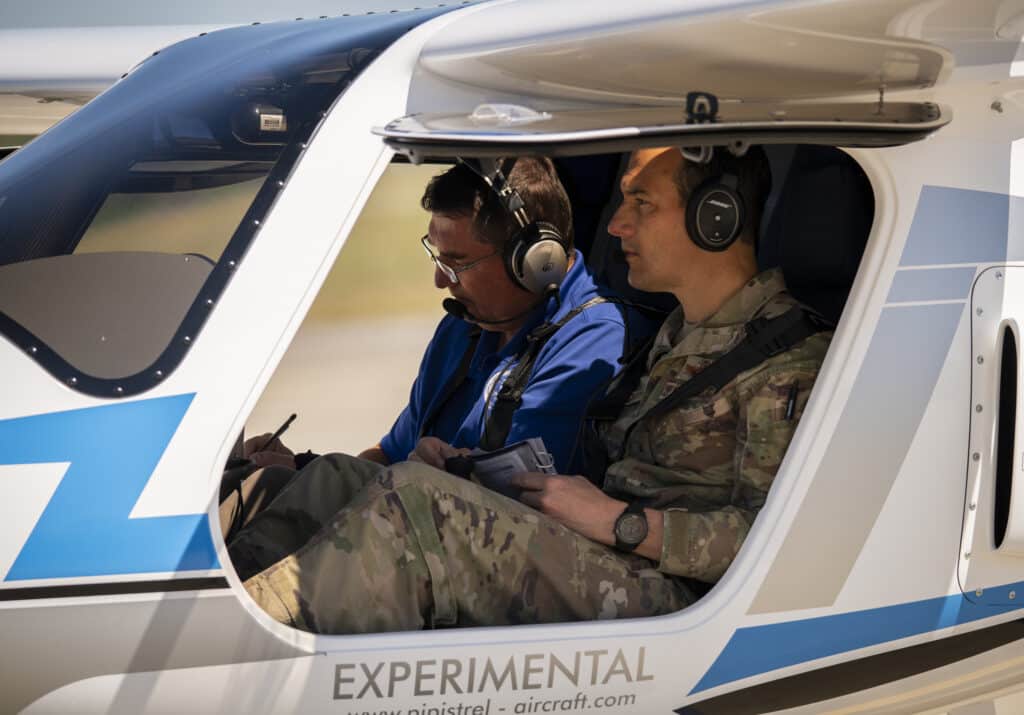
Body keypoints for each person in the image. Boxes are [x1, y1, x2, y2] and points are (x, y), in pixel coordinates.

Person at [227, 146, 832, 633]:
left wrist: (621, 523)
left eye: (641, 204)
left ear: (716, 216)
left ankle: (238, 646)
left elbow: (785, 543)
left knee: (414, 495)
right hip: (612, 558)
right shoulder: (679, 336)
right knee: (337, 475)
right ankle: (220, 604)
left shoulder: (788, 359)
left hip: (681, 603)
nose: (617, 225)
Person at [221, 157, 644, 537]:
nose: (442, 282)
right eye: (438, 259)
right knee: (257, 490)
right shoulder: (463, 328)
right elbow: (389, 456)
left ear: (536, 261)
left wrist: (334, 480)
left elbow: (508, 511)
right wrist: (301, 468)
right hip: (418, 536)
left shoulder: (593, 340)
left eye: (458, 263)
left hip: (491, 559)